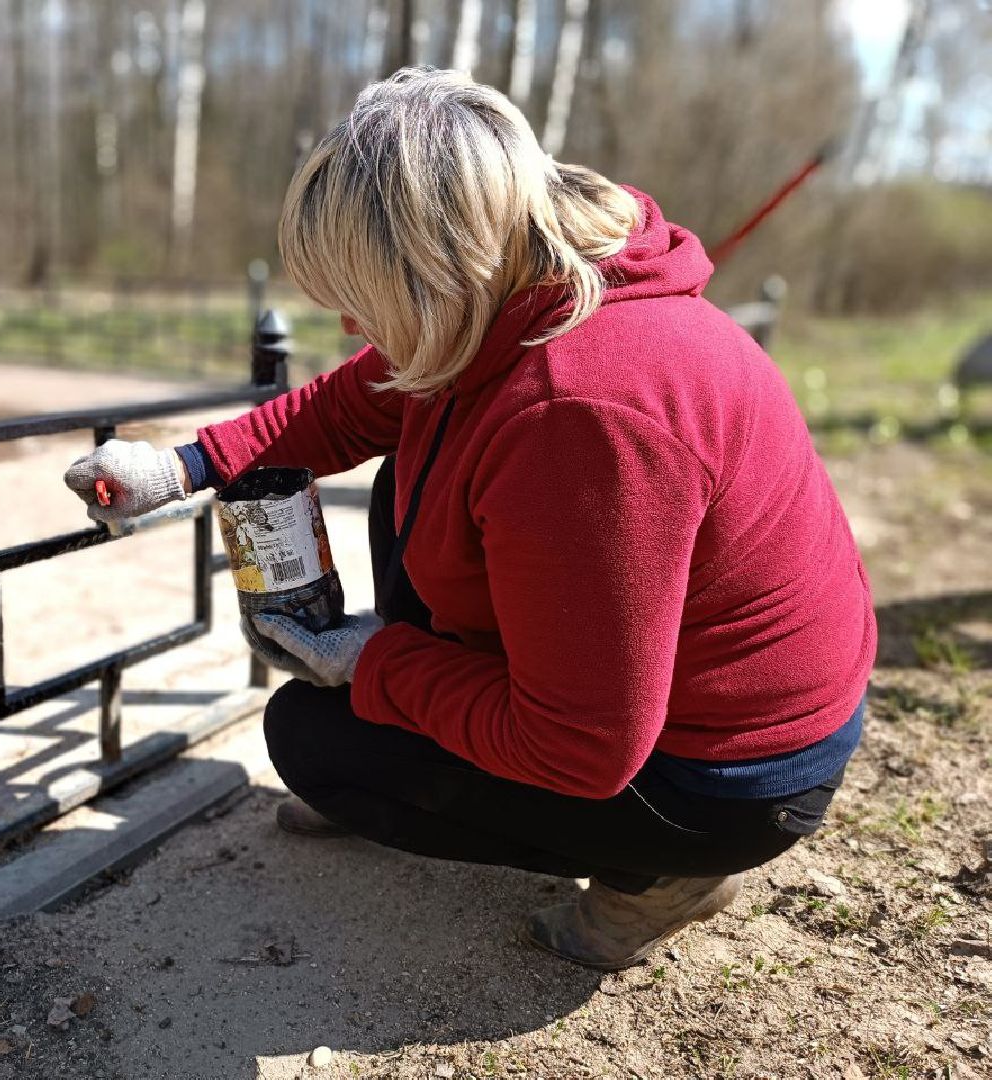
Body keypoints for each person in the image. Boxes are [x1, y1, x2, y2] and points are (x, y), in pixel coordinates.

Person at [62, 68, 874, 971]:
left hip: (717, 775)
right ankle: (443, 734)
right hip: (685, 699)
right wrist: (178, 467)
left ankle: (657, 877)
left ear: (434, 270)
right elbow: (346, 407)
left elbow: (582, 748)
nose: (343, 324)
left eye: (362, 297)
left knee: (313, 739)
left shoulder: (583, 413)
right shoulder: (520, 286)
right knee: (408, 479)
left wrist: (375, 664)